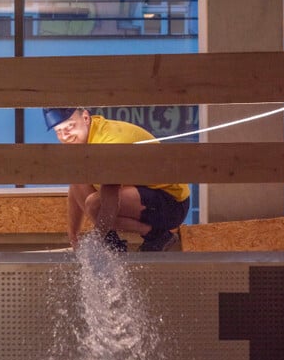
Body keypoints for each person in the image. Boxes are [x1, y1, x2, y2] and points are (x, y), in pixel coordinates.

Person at [44, 107, 190, 252]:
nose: (65, 136)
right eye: (59, 131)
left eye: (70, 126)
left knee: (94, 204)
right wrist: (74, 238)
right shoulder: (87, 138)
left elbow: (109, 202)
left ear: (86, 118)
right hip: (141, 192)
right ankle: (111, 243)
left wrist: (95, 244)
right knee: (80, 181)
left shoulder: (108, 143)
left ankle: (156, 235)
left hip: (172, 203)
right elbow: (76, 187)